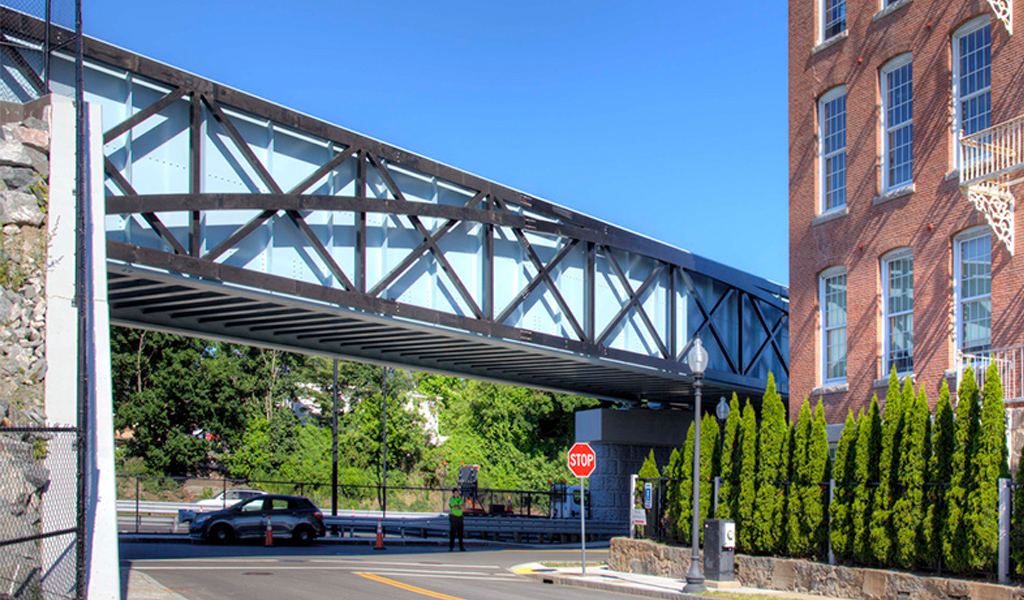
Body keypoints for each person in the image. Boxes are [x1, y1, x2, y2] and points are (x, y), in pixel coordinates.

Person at [448, 487, 466, 551]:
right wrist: (459, 506)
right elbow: (454, 506)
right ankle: (451, 547)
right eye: (455, 493)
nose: (456, 494)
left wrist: (459, 506)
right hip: (453, 517)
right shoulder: (451, 499)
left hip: (460, 517)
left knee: (460, 533)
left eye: (457, 493)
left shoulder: (460, 500)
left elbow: (463, 507)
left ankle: (461, 547)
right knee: (453, 533)